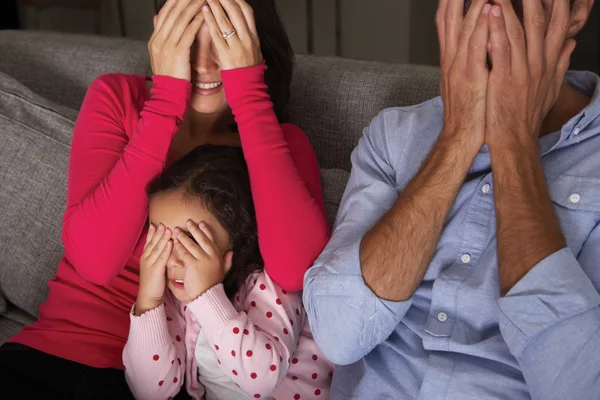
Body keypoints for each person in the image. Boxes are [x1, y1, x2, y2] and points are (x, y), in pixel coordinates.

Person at [0, 0, 329, 397]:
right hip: (55, 349)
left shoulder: (280, 142)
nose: (204, 64)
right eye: (188, 38)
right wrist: (166, 99)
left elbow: (297, 272)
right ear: (163, 35)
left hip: (165, 380)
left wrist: (251, 98)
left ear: (255, 46)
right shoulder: (117, 98)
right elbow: (94, 261)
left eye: (225, 41)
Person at [304, 0, 600, 399]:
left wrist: (512, 138)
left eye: (515, 7)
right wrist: (458, 135)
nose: (492, 20)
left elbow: (578, 384)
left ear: (576, 12)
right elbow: (338, 336)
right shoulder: (394, 135)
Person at [123, 145, 332, 400]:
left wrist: (207, 296)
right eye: (160, 240)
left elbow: (262, 379)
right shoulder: (174, 297)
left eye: (191, 241)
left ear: (236, 238)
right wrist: (148, 301)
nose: (172, 260)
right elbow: (151, 392)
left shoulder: (269, 284)